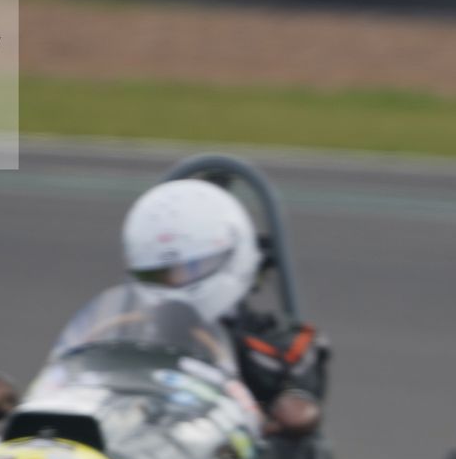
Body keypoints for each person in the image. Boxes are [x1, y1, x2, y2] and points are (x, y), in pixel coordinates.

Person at [121, 179, 327, 439]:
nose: (172, 285)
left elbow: (301, 376)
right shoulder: (125, 334)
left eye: (187, 270)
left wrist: (289, 402)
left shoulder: (272, 345)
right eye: (157, 275)